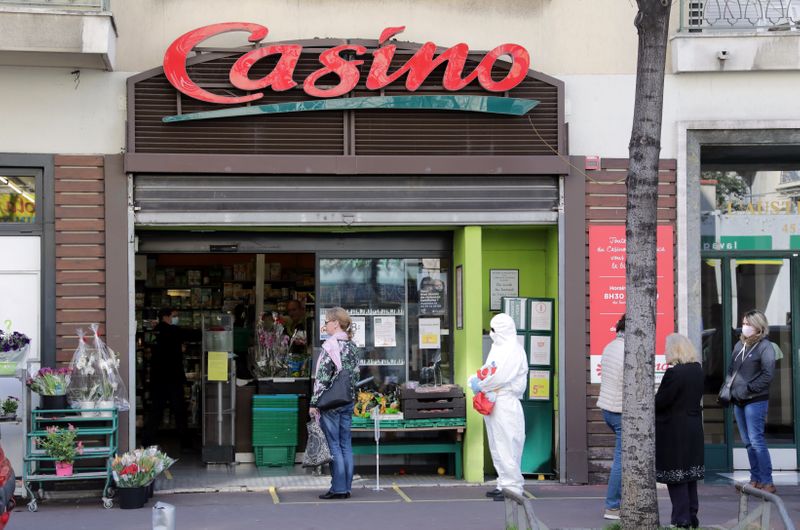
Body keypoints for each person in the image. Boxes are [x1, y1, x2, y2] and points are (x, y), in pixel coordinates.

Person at [468, 313, 528, 501]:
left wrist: (481, 384)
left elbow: (500, 377)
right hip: (494, 400)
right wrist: (477, 379)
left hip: (506, 402)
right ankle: (503, 483)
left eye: (494, 330)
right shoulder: (499, 348)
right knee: (497, 444)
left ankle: (513, 488)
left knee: (508, 445)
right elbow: (489, 369)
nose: (491, 334)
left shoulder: (513, 350)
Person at [308, 307, 360, 500]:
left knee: (334, 445)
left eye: (327, 322)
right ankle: (346, 487)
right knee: (346, 444)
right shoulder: (352, 345)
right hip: (347, 401)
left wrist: (314, 403)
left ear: (336, 323)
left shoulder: (330, 345)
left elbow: (321, 378)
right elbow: (355, 375)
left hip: (330, 403)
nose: (325, 325)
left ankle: (338, 488)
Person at [655, 333, 705, 529]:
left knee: (676, 476)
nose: (665, 352)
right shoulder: (697, 370)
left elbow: (661, 401)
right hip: (693, 426)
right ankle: (692, 516)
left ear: (674, 350)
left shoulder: (674, 373)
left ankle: (680, 519)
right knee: (689, 475)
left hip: (674, 429)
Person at [727, 309, 776, 493]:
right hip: (739, 401)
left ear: (758, 326)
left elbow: (768, 374)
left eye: (748, 324)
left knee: (756, 440)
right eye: (744, 323)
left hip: (755, 400)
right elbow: (731, 369)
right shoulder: (740, 345)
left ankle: (767, 481)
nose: (744, 327)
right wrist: (729, 387)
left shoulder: (765, 347)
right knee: (747, 442)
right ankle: (755, 478)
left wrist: (748, 388)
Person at [144, 307, 188, 447]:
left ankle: (147, 440)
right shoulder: (174, 331)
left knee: (156, 411)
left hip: (158, 378)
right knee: (179, 411)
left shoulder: (155, 331)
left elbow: (149, 351)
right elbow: (183, 346)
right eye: (174, 316)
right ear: (166, 317)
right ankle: (185, 443)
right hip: (173, 377)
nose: (176, 318)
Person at [596, 314, 625, 520]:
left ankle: (619, 502)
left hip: (608, 408)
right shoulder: (628, 350)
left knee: (623, 458)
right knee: (621, 459)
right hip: (619, 409)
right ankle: (612, 506)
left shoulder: (611, 346)